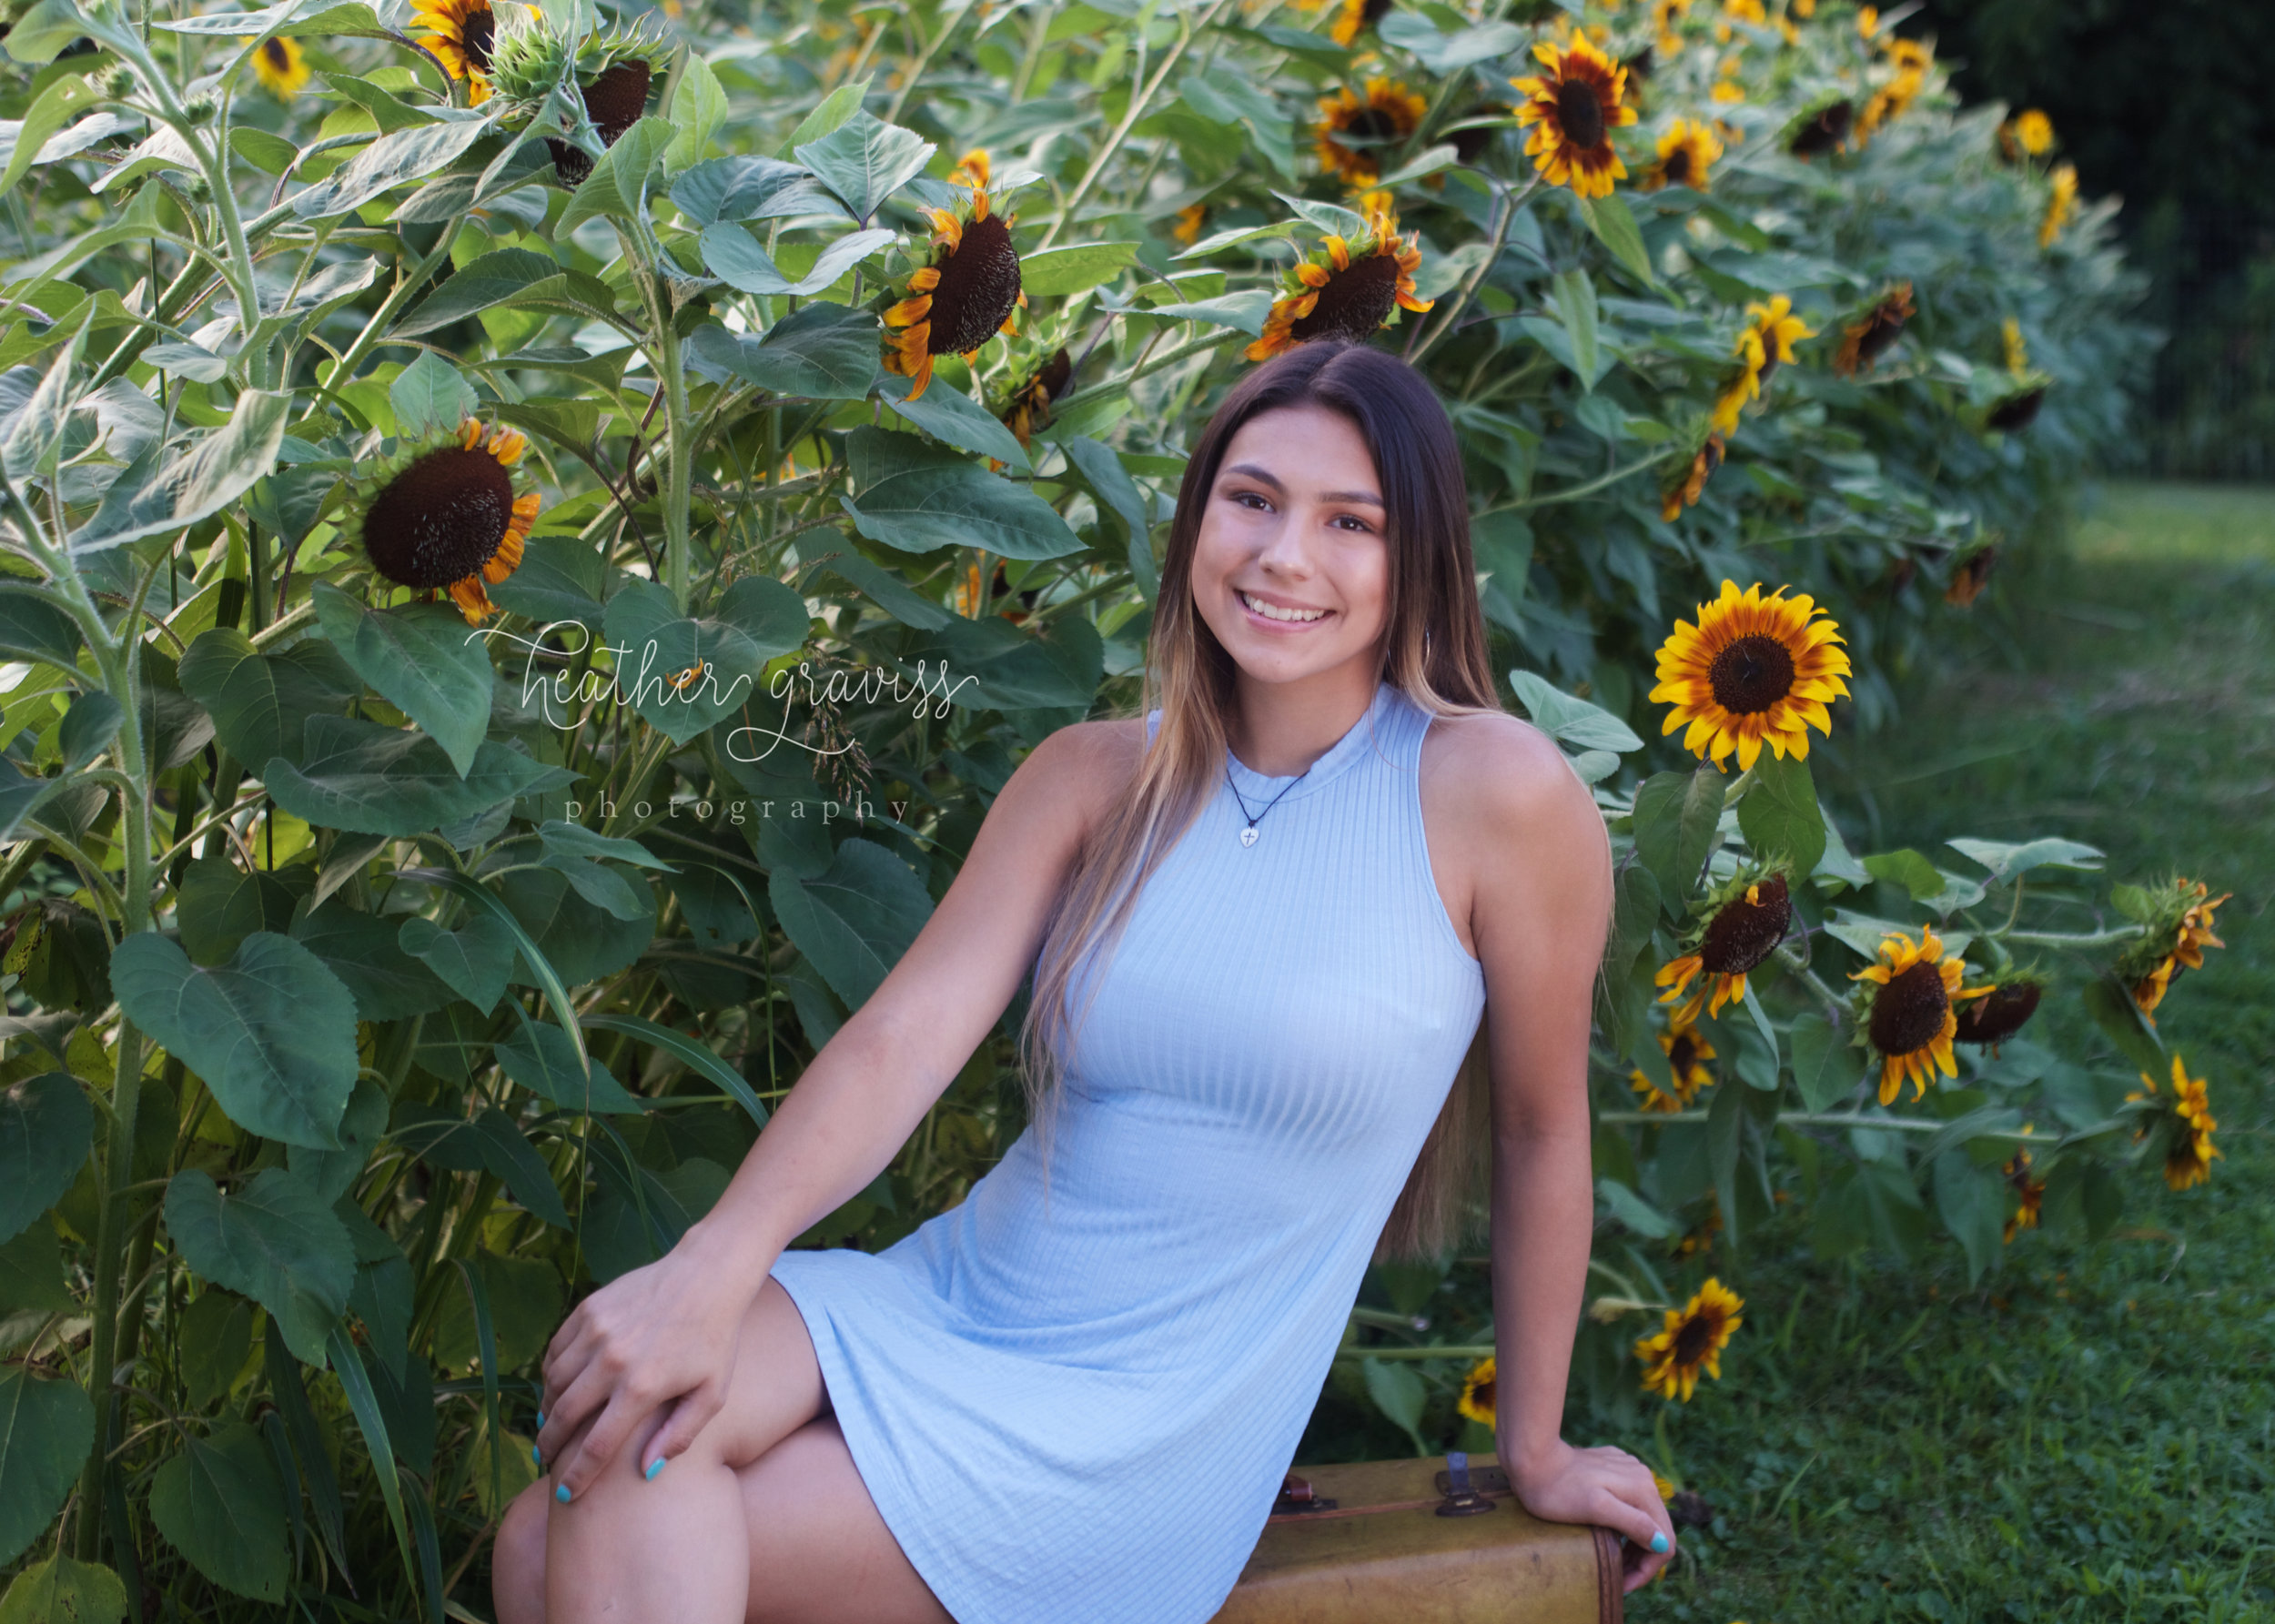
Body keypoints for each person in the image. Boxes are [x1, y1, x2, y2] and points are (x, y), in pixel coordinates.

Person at [493, 338, 1678, 1624]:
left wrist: (1536, 1445)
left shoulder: (1496, 795)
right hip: (951, 1301)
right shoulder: (1093, 777)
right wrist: (713, 1264)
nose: (1285, 556)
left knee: (575, 1518)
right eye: (1253, 499)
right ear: (1197, 518)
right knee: (599, 1474)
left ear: (1420, 560)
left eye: (1353, 522)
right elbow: (904, 1039)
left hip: (1143, 1431)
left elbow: (1545, 1127)